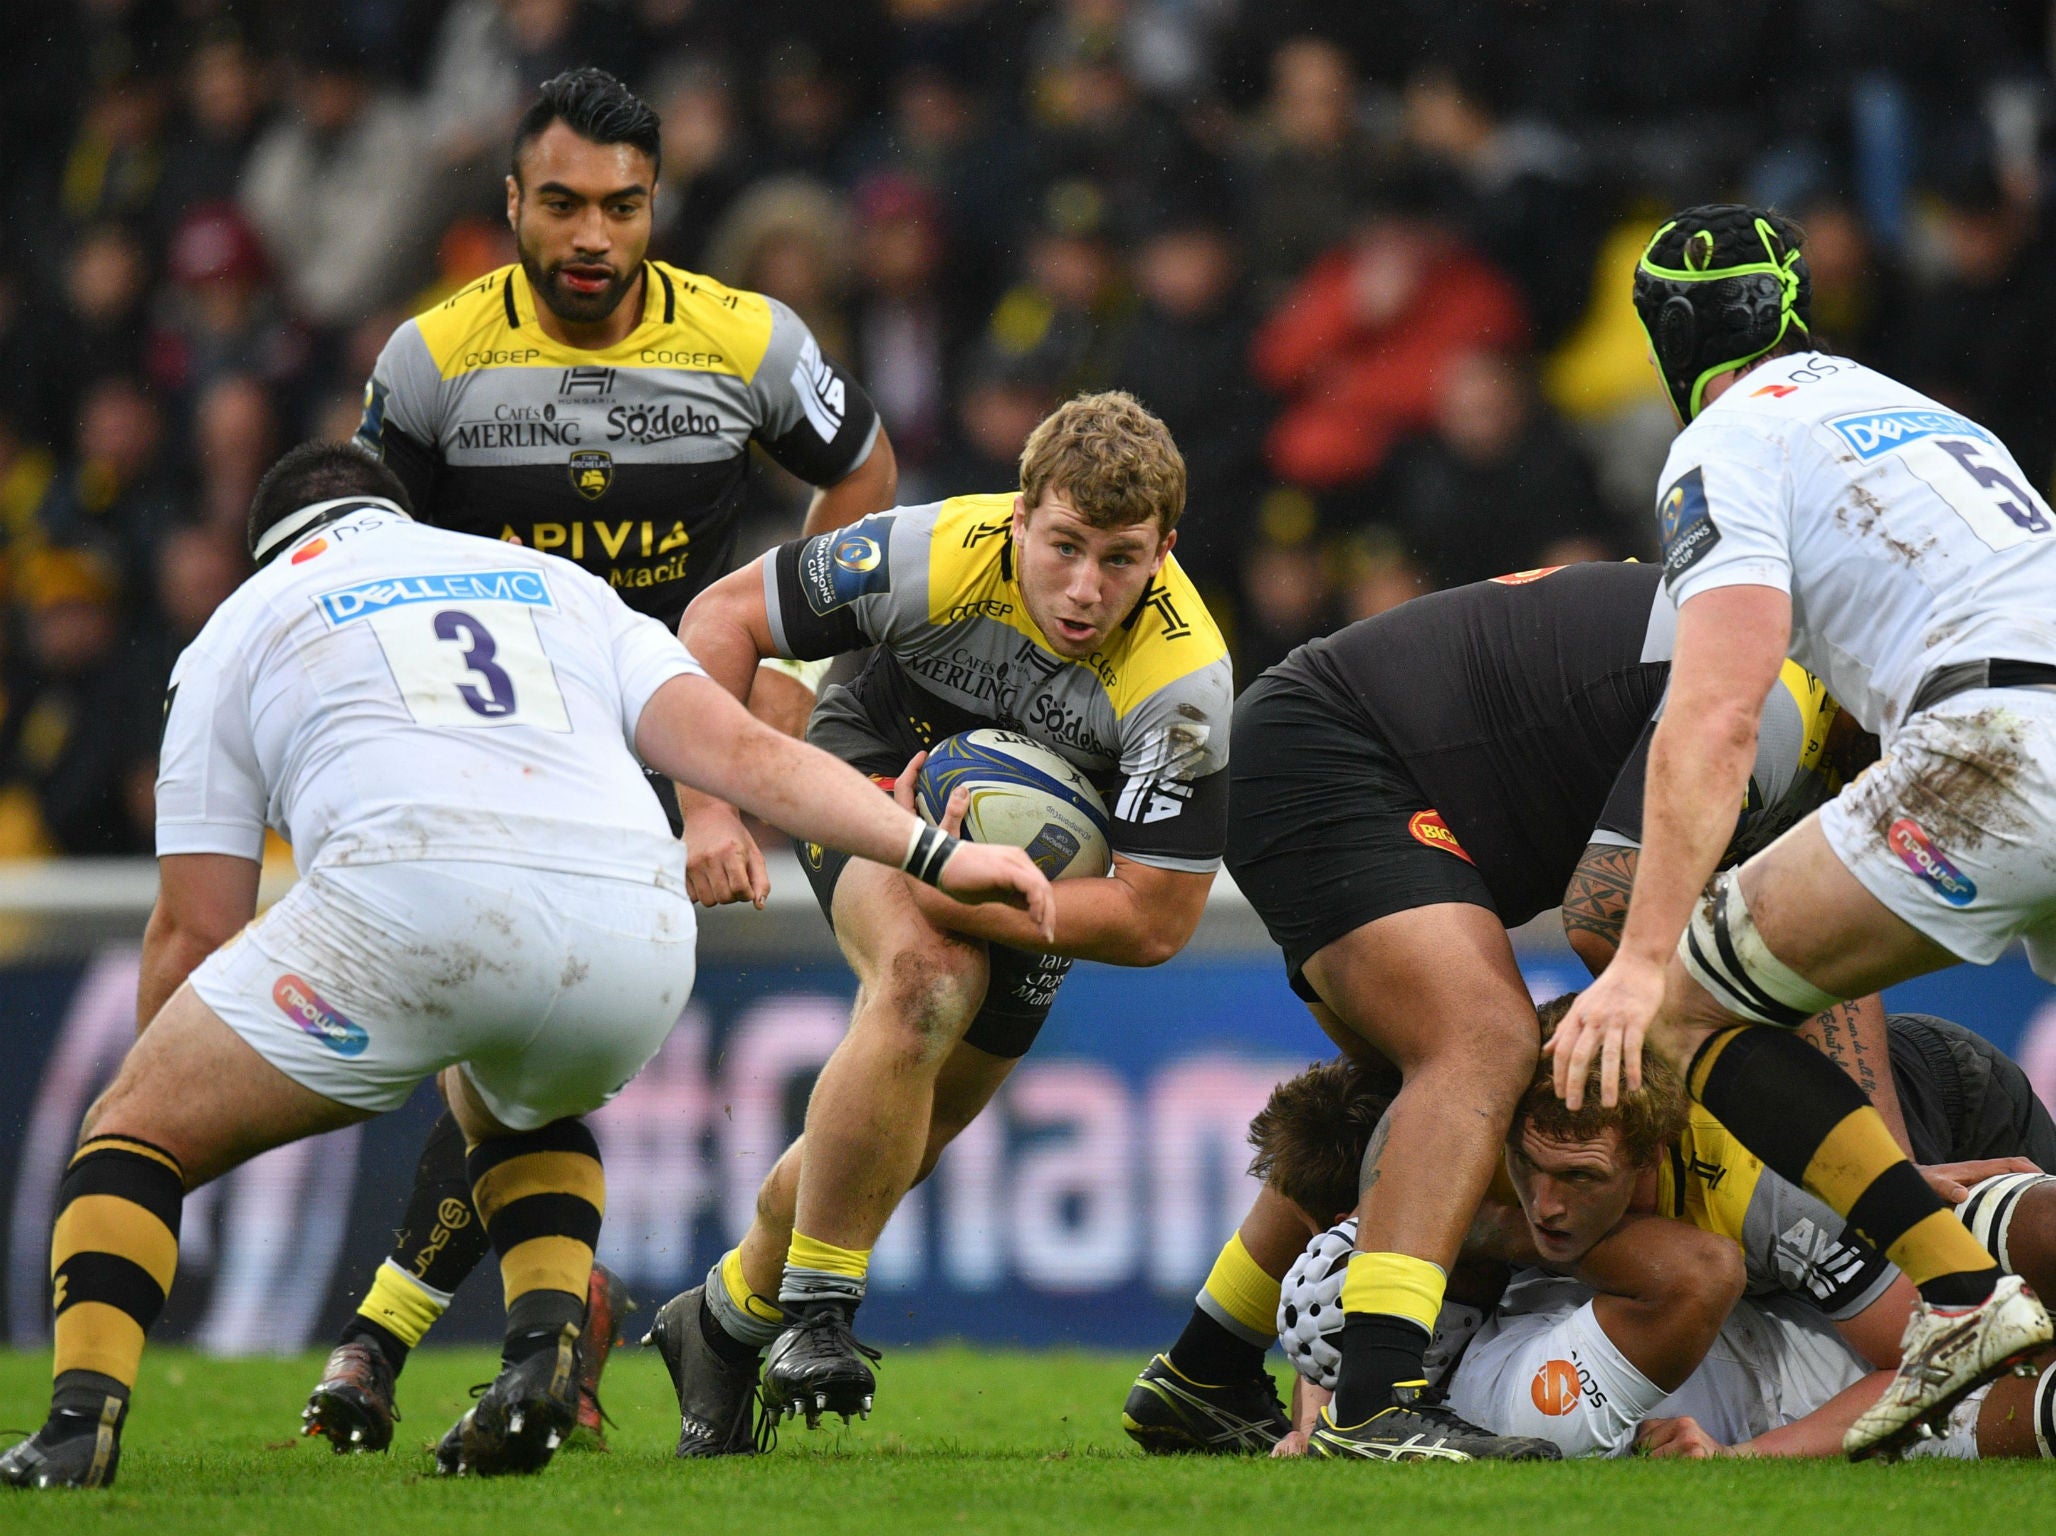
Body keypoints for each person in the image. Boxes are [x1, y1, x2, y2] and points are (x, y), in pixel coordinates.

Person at [0, 443, 1049, 1491]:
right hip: (633, 931)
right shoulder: (557, 585)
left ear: (268, 545)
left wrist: (167, 1114)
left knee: (132, 1129)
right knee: (518, 1109)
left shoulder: (243, 620)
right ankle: (539, 1354)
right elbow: (744, 755)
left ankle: (78, 1421)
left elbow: (196, 924)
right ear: (402, 516)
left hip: (410, 900)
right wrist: (936, 851)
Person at [315, 66, 899, 1453]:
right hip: (488, 741)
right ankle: (491, 1330)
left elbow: (865, 477)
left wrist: (781, 692)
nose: (592, 236)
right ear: (512, 203)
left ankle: (409, 1343)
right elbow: (352, 544)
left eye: (623, 207)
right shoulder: (434, 358)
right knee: (509, 1049)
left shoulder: (747, 342)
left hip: (656, 734)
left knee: (519, 1044)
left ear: (658, 207)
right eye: (563, 204)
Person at [1121, 560, 1890, 1461]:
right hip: (1334, 751)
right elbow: (1607, 914)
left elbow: (1813, 966)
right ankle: (1373, 1407)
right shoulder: (1779, 697)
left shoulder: (1797, 691)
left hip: (1331, 750)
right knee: (1482, 1045)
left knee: (1433, 1110)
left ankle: (1207, 1366)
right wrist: (1767, 1094)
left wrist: (1885, 1176)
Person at [1549, 203, 2056, 1456]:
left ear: (1667, 342)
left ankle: (1954, 1294)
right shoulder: (1922, 413)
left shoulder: (1724, 441)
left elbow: (1717, 711)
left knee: (1686, 1006)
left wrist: (1636, 954)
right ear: (1792, 306)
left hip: (1993, 750)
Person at [647, 390, 1232, 1454]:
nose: (1085, 589)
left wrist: (979, 895)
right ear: (1018, 518)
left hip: (1037, 885)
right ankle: (820, 1316)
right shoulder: (930, 550)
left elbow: (1154, 922)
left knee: (900, 1140)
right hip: (873, 776)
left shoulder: (1184, 681)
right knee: (923, 983)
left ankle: (724, 1322)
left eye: (1120, 559)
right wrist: (710, 810)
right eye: (1062, 546)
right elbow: (719, 620)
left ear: (1164, 551)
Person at [1264, 1003, 2056, 1461]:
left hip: (1941, 1104)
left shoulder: (1762, 1183)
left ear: (1648, 1162)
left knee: (2024, 1261)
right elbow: (1348, 1302)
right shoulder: (1484, 1150)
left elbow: (1924, 1364)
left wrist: (1742, 1463)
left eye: (1579, 1180)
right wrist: (1316, 1423)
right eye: (1530, 1174)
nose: (1545, 1205)